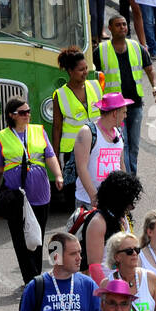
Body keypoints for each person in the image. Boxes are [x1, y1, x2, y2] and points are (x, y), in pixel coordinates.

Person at [0, 96, 64, 283]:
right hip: (16, 196)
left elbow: (50, 155)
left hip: (40, 192)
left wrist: (58, 175)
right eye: (22, 112)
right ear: (11, 115)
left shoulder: (39, 130)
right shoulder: (1, 137)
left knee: (37, 236)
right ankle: (30, 279)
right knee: (20, 238)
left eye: (28, 111)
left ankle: (36, 275)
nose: (27, 115)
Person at [95, 14, 156, 174]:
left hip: (135, 104)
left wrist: (155, 87)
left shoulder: (136, 47)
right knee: (123, 144)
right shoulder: (101, 51)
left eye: (124, 24)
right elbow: (92, 77)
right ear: (110, 28)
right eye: (118, 25)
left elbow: (150, 69)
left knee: (134, 146)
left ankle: (131, 177)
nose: (122, 27)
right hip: (113, 108)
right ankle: (128, 179)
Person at [52, 46, 103, 208]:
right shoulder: (60, 95)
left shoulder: (95, 86)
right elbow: (57, 128)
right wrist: (55, 157)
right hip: (71, 152)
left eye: (86, 68)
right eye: (81, 70)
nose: (85, 72)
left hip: (95, 146)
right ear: (70, 71)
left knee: (97, 189)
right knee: (73, 195)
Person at [78, 171, 144, 277]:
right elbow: (95, 267)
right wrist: (106, 287)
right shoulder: (98, 222)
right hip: (107, 282)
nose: (132, 206)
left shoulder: (123, 216)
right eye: (129, 200)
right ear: (118, 199)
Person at [73, 93, 129, 214]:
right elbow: (81, 168)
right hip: (89, 203)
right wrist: (95, 198)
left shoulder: (119, 132)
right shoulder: (87, 132)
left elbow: (121, 164)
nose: (125, 116)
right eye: (124, 112)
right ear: (115, 113)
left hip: (114, 202)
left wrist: (125, 192)